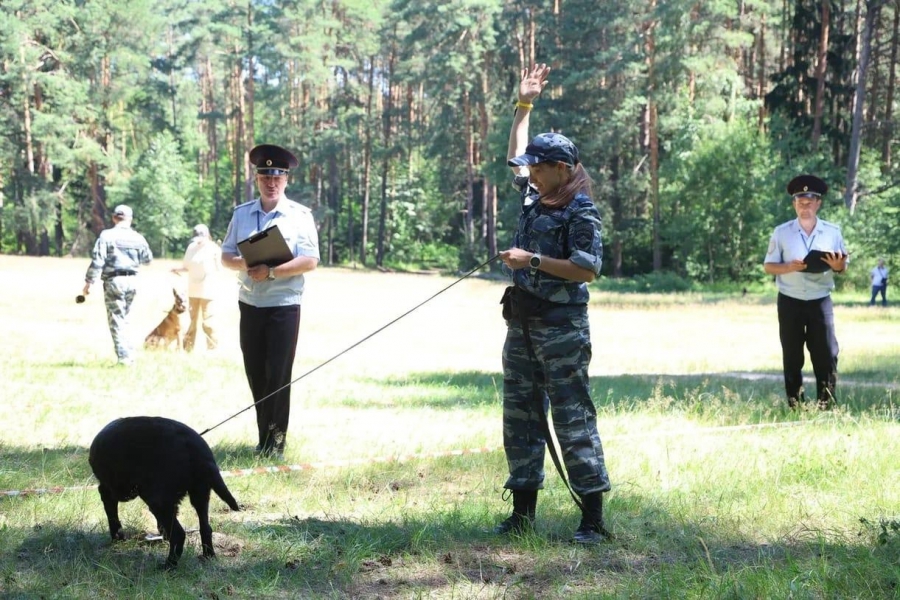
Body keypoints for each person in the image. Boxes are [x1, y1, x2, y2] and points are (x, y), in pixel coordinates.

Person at [495, 64, 611, 545]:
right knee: (520, 416)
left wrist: (533, 259)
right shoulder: (533, 195)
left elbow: (587, 269)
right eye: (532, 168)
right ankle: (522, 512)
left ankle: (593, 518)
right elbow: (513, 157)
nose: (532, 173)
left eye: (539, 168)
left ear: (562, 168)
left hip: (562, 329)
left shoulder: (580, 208)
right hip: (521, 324)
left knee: (571, 416)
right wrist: (523, 104)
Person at [221, 144, 320, 459]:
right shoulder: (242, 214)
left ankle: (275, 443)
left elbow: (310, 261)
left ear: (286, 179)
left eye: (277, 176)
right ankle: (263, 437)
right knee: (256, 373)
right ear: (257, 177)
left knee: (277, 373)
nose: (271, 182)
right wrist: (245, 265)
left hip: (283, 304)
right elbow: (226, 255)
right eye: (265, 175)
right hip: (249, 303)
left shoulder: (300, 216)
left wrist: (272, 272)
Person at [763, 174, 848, 410]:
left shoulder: (832, 232)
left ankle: (826, 404)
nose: (805, 207)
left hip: (820, 300)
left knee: (827, 353)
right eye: (800, 202)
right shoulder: (782, 232)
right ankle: (795, 405)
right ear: (794, 204)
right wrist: (789, 266)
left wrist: (836, 265)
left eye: (809, 202)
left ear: (818, 203)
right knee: (792, 355)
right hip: (790, 300)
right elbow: (768, 265)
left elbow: (843, 265)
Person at [82, 204, 153, 366]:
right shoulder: (138, 238)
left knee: (116, 320)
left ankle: (124, 358)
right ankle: (130, 353)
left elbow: (98, 260)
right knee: (126, 318)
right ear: (130, 219)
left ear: (114, 218)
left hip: (114, 281)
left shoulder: (107, 236)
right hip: (133, 281)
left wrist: (89, 282)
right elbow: (148, 260)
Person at [171, 224, 222, 351]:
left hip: (208, 291)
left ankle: (212, 348)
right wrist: (176, 270)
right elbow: (187, 266)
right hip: (193, 290)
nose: (198, 241)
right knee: (192, 321)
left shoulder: (214, 248)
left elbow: (219, 269)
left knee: (208, 322)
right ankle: (188, 347)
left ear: (207, 236)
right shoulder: (191, 247)